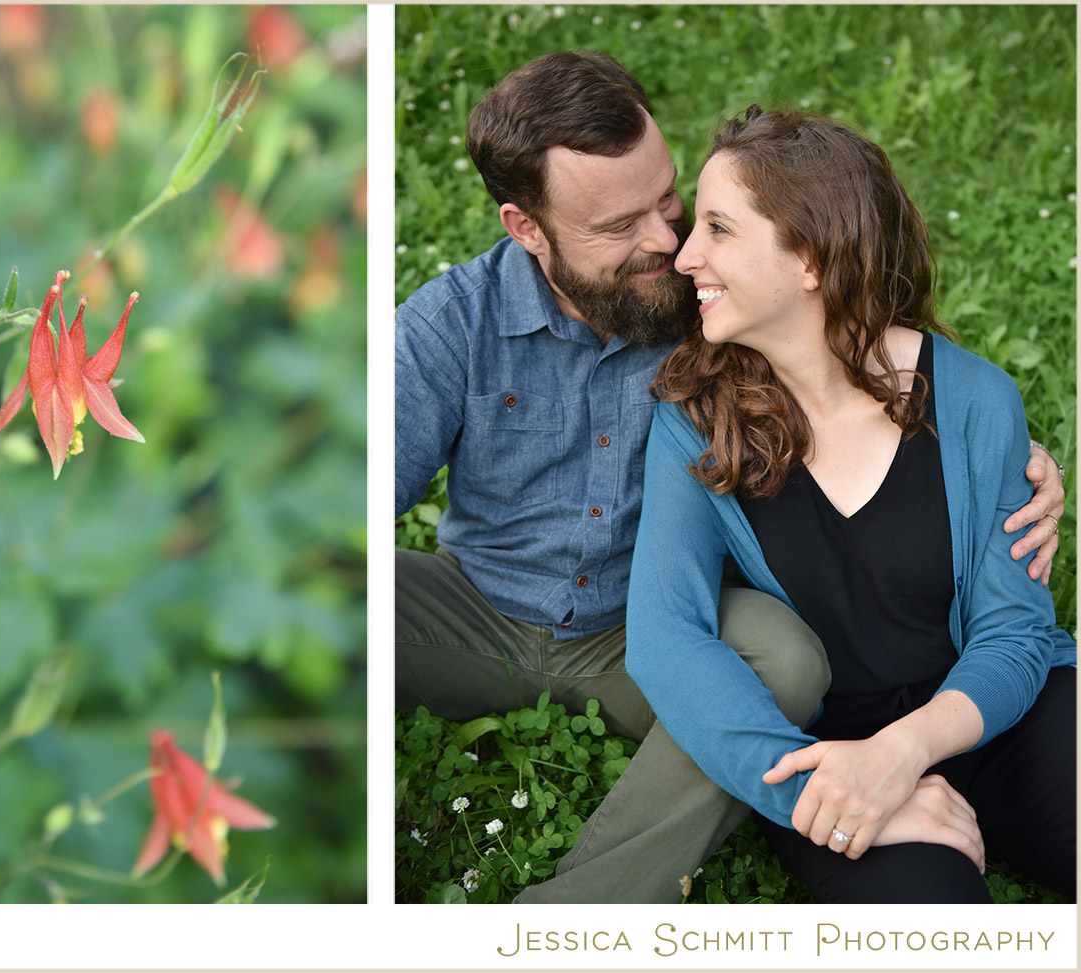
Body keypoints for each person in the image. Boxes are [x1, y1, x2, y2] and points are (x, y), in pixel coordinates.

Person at [394, 51, 1065, 903]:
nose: (669, 247)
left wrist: (1018, 467)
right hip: (484, 606)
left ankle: (570, 916)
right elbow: (330, 499)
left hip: (670, 641)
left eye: (671, 201)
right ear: (527, 227)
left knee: (779, 661)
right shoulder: (470, 328)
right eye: (617, 226)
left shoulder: (730, 319)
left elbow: (867, 349)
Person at [626, 106, 1075, 903]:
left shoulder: (973, 398)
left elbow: (1015, 632)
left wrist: (902, 752)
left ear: (809, 258)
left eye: (720, 230)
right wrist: (813, 792)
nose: (685, 253)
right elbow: (665, 638)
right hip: (827, 754)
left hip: (1000, 714)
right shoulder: (693, 417)